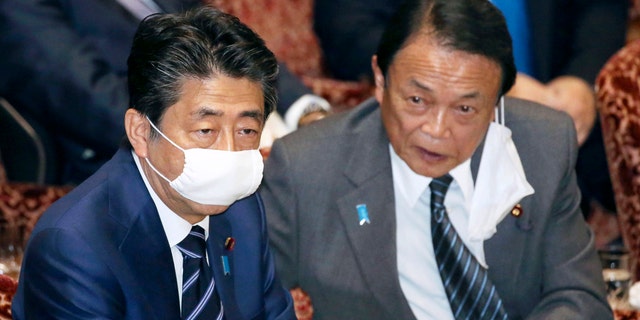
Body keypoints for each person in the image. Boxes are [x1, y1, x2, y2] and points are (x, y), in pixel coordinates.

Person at [261, 0, 611, 318]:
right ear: (381, 80)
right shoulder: (307, 169)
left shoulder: (542, 143)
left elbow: (579, 296)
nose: (437, 130)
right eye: (417, 100)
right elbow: (247, 302)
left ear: (498, 102)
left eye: (465, 108)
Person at [12, 7, 295, 319]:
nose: (228, 151)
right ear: (141, 132)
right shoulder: (75, 246)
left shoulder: (242, 209)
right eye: (205, 130)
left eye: (246, 131)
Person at [314, 0, 628, 221]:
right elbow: (349, 26)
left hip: (571, 130)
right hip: (425, 138)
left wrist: (584, 83)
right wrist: (485, 84)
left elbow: (600, 8)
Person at [0, 0, 326, 185]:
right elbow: (87, 96)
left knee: (341, 154)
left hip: (231, 121)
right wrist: (208, 132)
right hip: (124, 156)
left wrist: (305, 109)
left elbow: (233, 48)